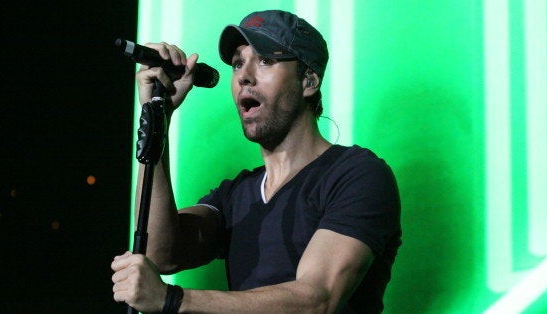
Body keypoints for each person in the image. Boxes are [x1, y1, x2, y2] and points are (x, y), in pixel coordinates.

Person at [111, 9, 401, 313]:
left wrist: (172, 300)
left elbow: (317, 299)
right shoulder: (236, 195)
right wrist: (158, 116)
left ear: (309, 81)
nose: (244, 76)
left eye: (265, 60)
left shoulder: (357, 174)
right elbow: (161, 254)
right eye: (238, 63)